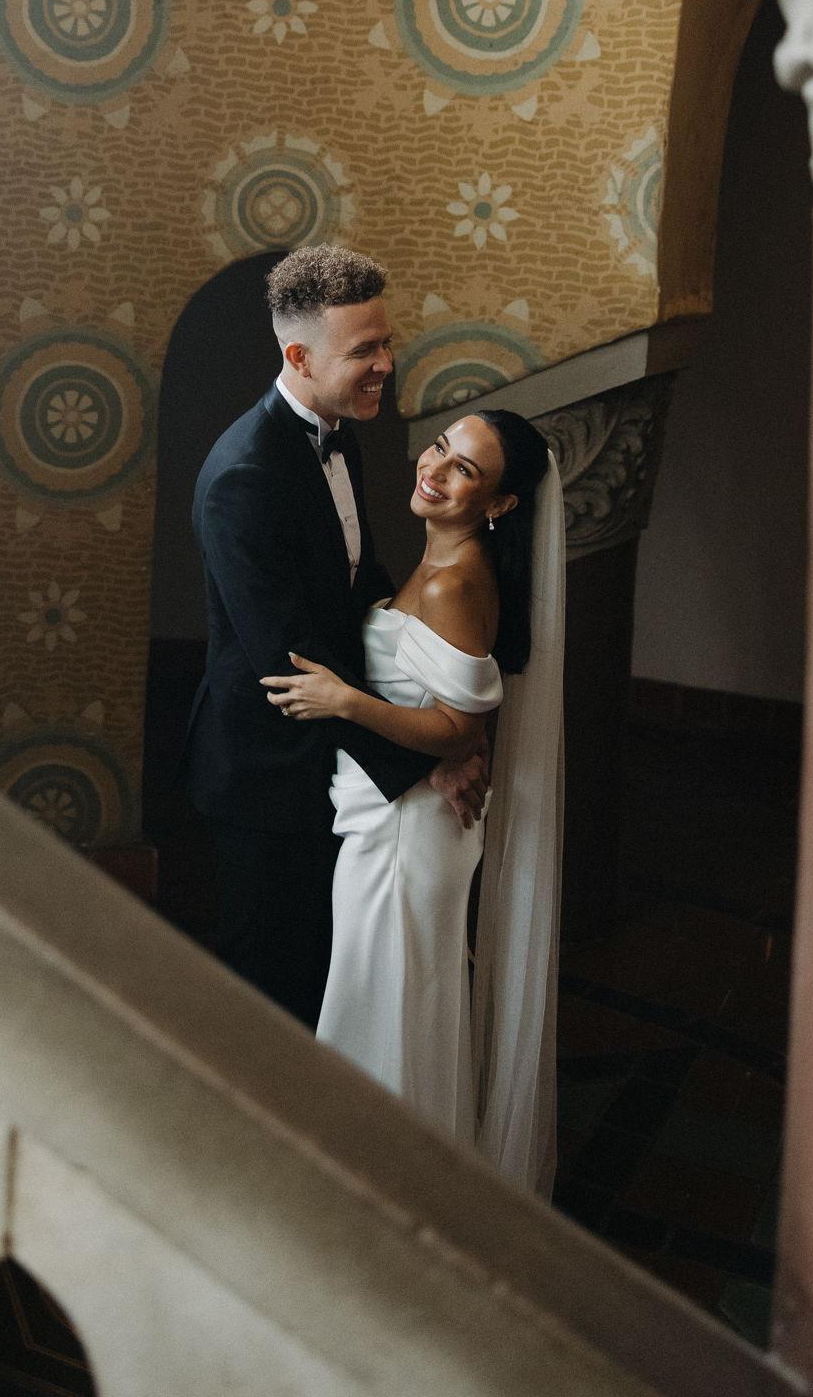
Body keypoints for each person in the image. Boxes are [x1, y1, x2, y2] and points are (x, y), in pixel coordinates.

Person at [181, 246, 490, 1029]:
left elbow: (357, 583)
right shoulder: (243, 477)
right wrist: (428, 757)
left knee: (328, 981)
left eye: (387, 342)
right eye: (365, 351)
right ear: (300, 358)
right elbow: (292, 665)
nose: (386, 364)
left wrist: (432, 695)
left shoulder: (337, 432)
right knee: (268, 995)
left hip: (333, 758)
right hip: (266, 773)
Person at [264, 407, 566, 1194]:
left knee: (385, 1005)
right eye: (440, 447)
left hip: (407, 837)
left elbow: (459, 726)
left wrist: (345, 701)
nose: (434, 468)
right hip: (404, 818)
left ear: (499, 503)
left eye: (464, 469)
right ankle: (411, 1182)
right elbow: (463, 717)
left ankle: (384, 1189)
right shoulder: (446, 564)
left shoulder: (454, 582)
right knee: (403, 1005)